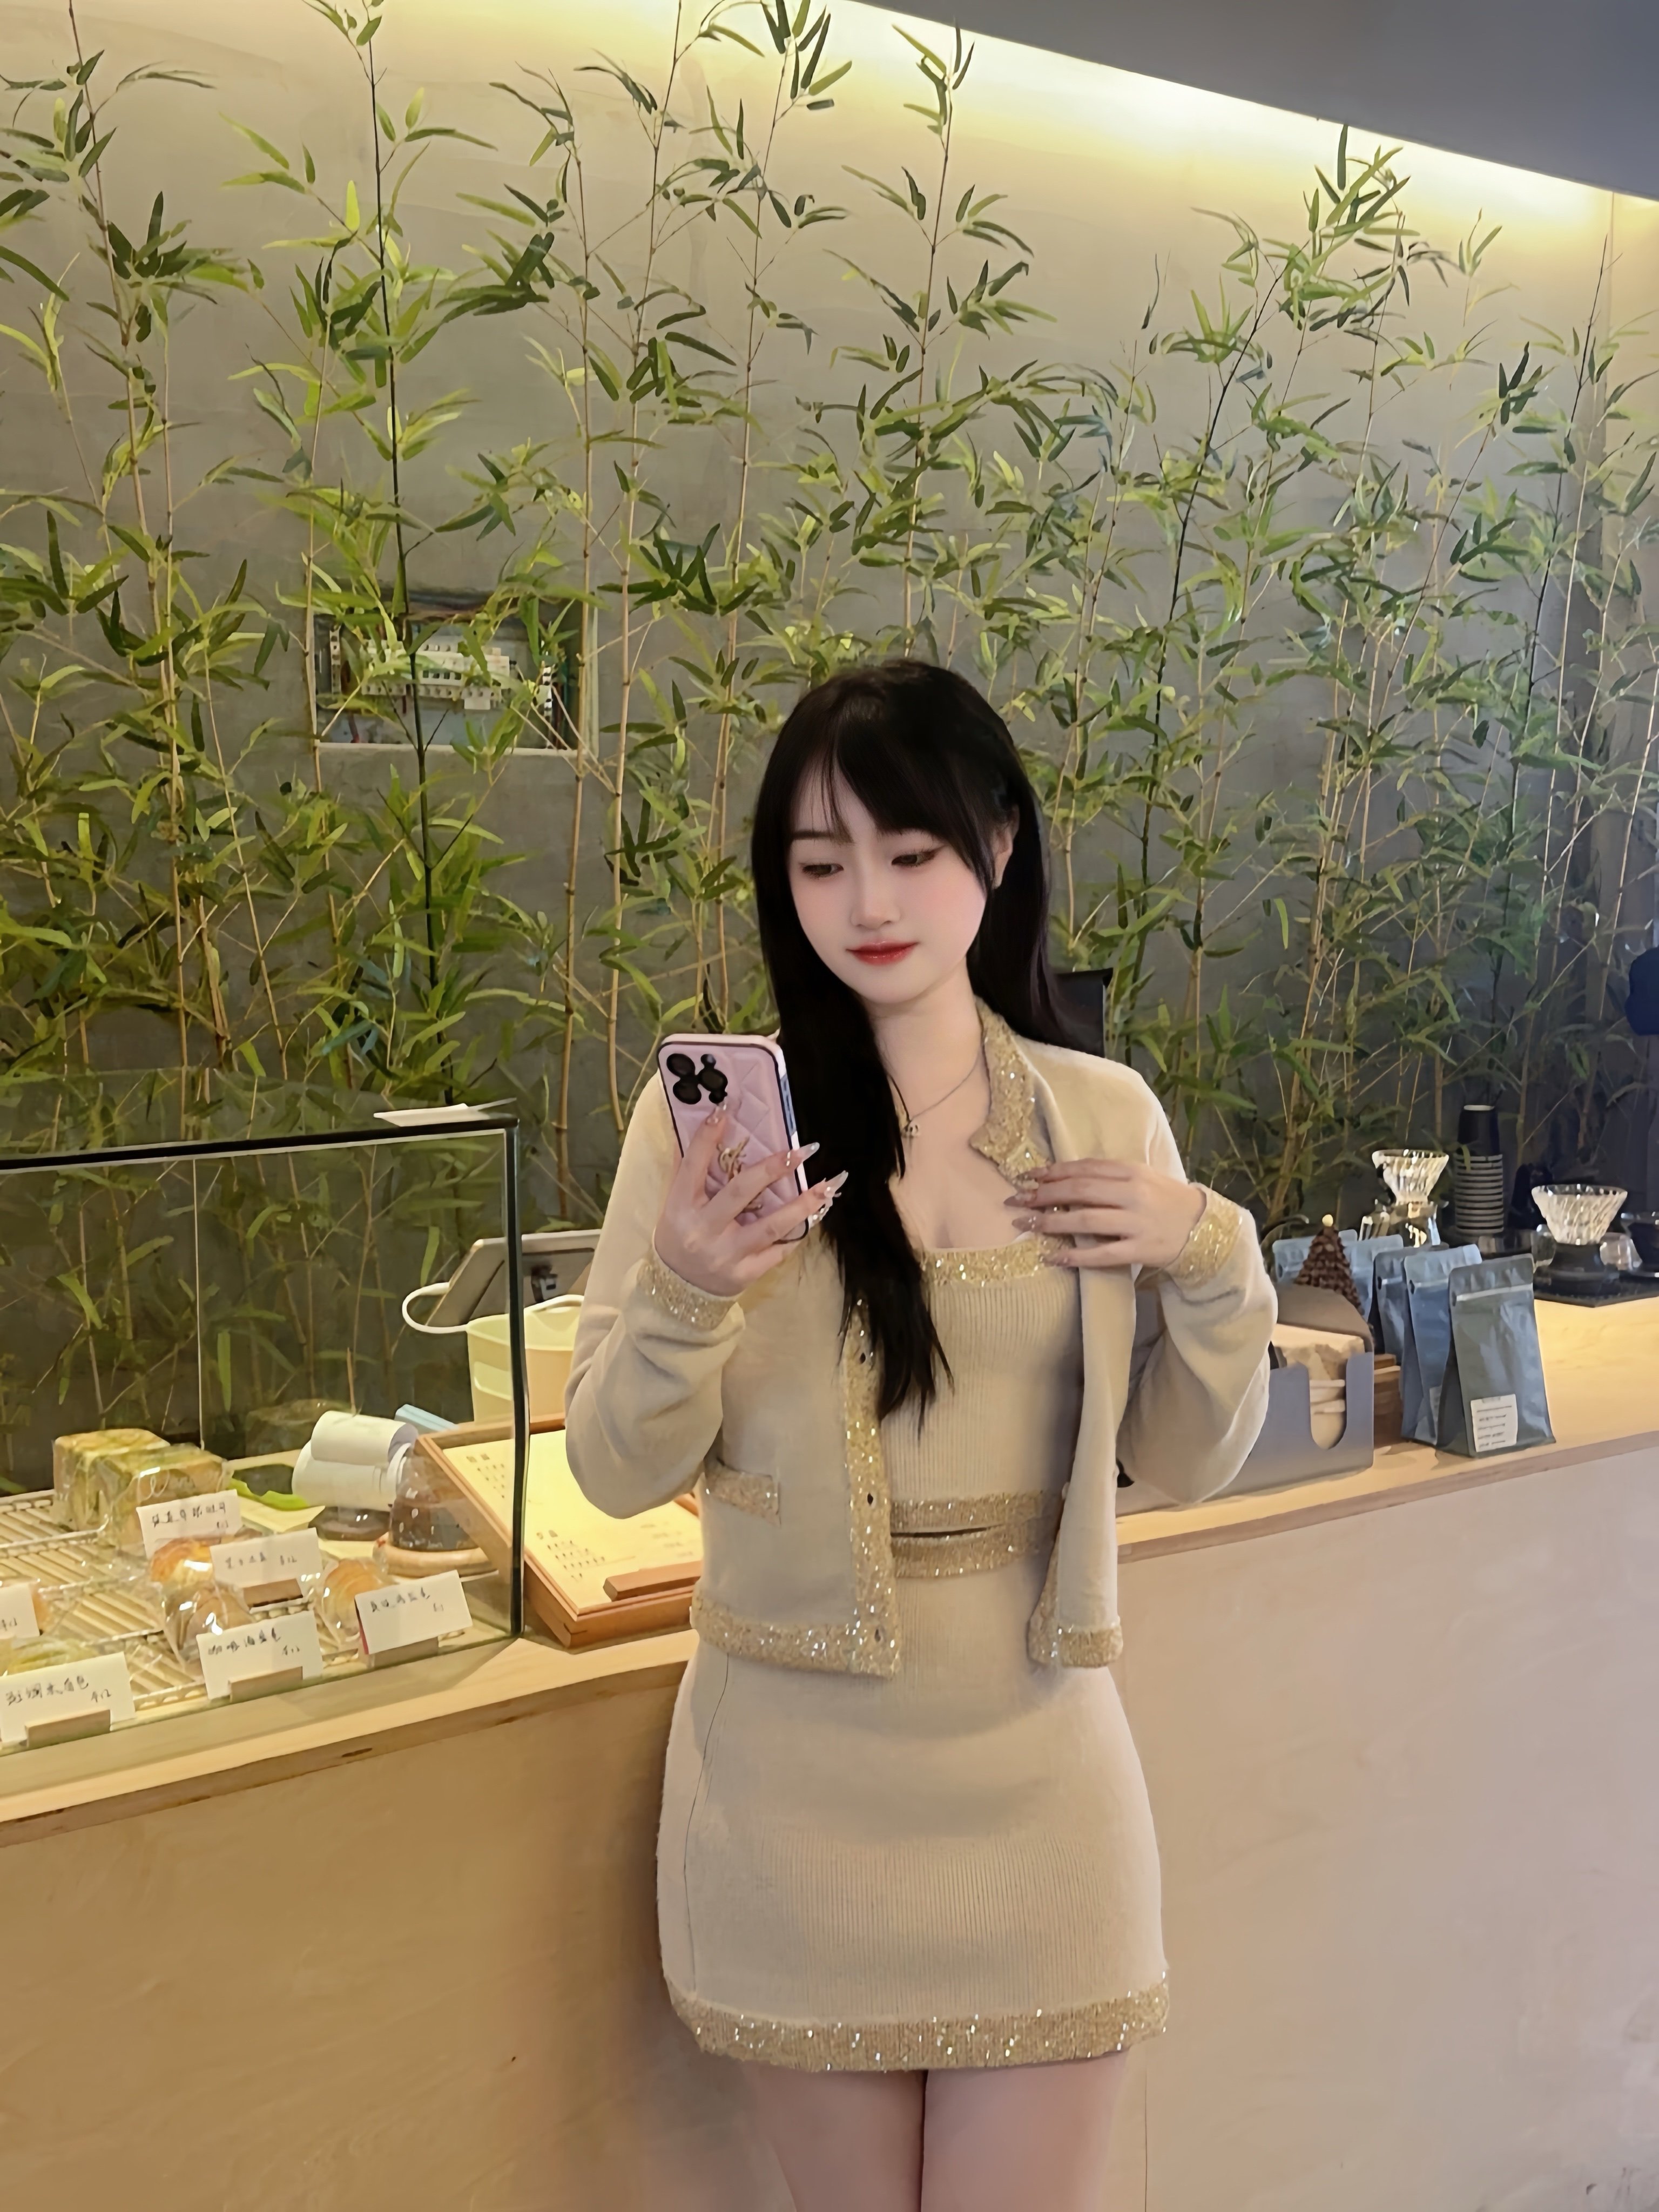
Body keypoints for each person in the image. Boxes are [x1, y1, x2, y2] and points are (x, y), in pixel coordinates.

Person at [565, 660, 1274, 2211]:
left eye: (911, 851)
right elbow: (613, 1471)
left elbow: (1183, 1456)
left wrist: (1213, 1252)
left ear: (999, 847)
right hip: (789, 1795)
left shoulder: (1102, 1115)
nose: (868, 903)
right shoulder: (706, 1136)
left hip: (1045, 1785)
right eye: (821, 864)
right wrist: (687, 1290)